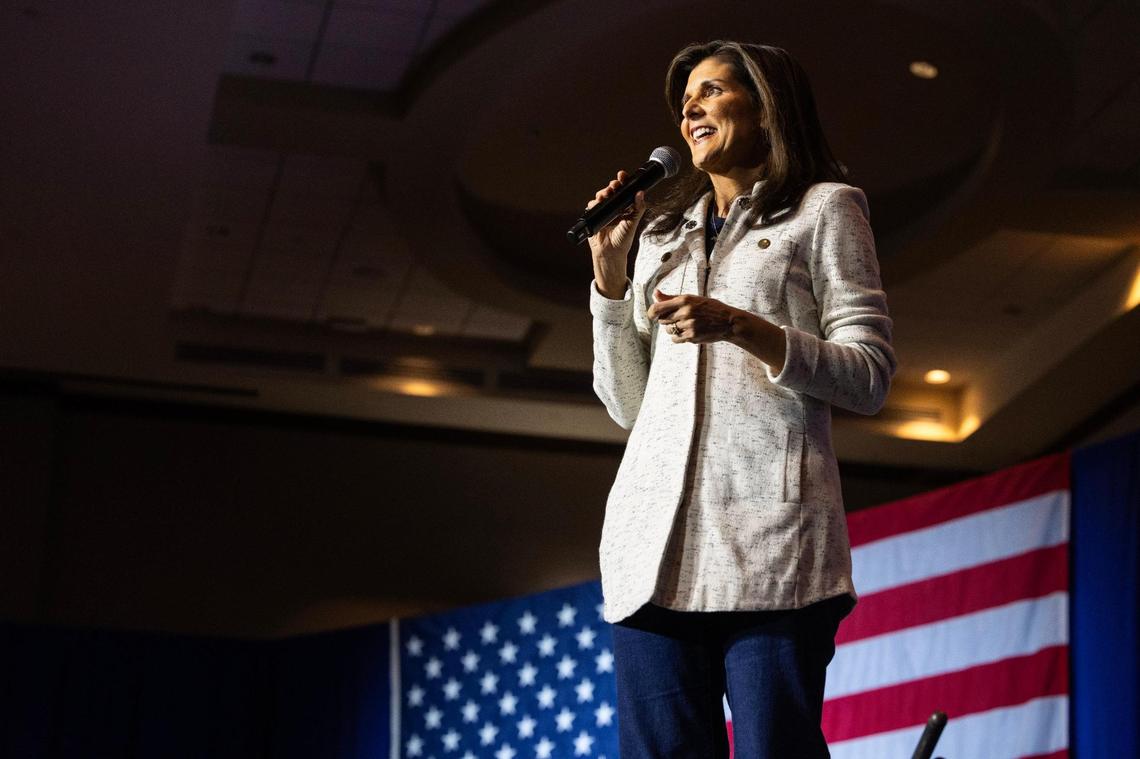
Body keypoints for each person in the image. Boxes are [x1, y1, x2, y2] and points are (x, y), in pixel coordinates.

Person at [586, 41, 896, 758]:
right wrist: (608, 282)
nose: (690, 107)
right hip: (651, 553)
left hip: (771, 549)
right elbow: (630, 407)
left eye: (712, 91)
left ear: (766, 109)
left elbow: (870, 372)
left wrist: (744, 327)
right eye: (685, 98)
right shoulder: (662, 234)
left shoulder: (825, 210)